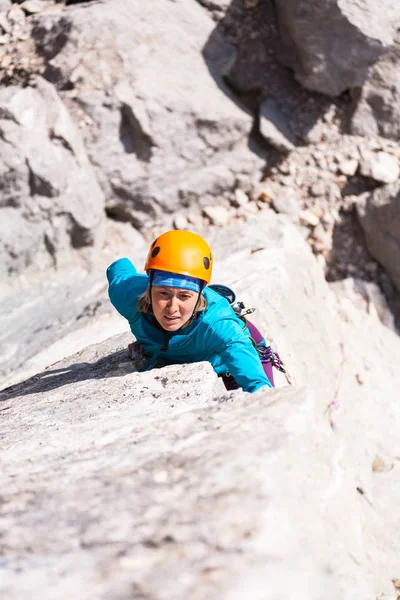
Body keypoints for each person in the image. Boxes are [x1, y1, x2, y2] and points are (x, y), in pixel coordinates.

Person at [106, 230, 272, 393]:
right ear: (149, 287)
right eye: (163, 293)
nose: (172, 308)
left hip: (225, 365)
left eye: (184, 296)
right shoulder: (127, 294)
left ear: (200, 292)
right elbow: (119, 268)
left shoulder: (217, 326)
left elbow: (258, 387)